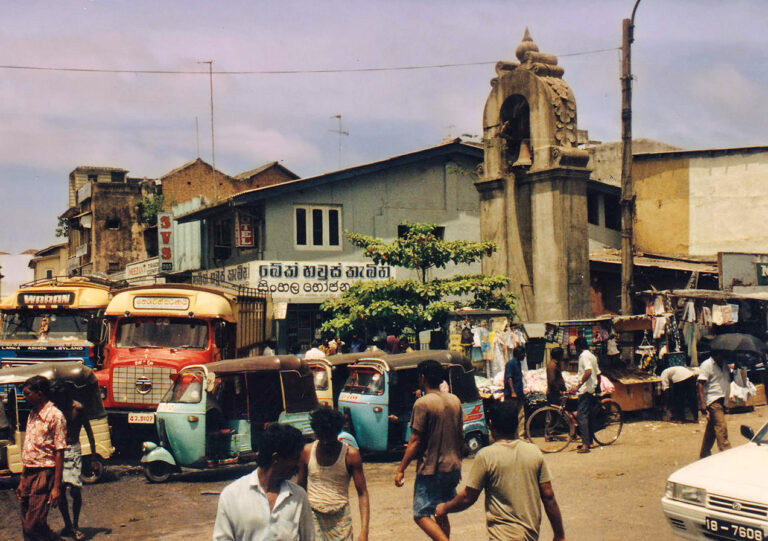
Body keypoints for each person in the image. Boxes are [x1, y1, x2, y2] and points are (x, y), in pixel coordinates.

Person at [435, 401, 566, 541]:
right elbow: (548, 496)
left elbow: (468, 497)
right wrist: (559, 535)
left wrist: (444, 508)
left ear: (491, 425)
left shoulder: (486, 456)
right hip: (530, 536)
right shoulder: (534, 452)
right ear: (516, 424)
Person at [394, 360, 463, 541]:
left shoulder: (422, 403)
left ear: (422, 378)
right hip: (453, 467)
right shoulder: (455, 400)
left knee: (421, 513)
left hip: (431, 469)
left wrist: (401, 469)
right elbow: (460, 435)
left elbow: (415, 441)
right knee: (441, 512)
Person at [213, 423, 314, 541]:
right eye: (295, 458)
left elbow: (308, 538)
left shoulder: (298, 496)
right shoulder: (232, 495)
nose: (299, 464)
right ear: (276, 458)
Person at [297, 407, 370, 541]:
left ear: (337, 432)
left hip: (340, 519)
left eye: (329, 437)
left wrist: (364, 531)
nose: (325, 441)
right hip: (313, 517)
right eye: (321, 436)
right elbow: (299, 489)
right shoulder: (307, 452)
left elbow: (362, 493)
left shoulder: (350, 455)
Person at [16, 375, 67, 541]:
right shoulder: (32, 414)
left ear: (40, 394)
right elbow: (30, 449)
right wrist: (22, 479)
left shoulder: (55, 416)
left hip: (45, 473)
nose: (25, 397)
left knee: (33, 525)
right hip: (28, 472)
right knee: (27, 524)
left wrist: (56, 487)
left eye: (27, 393)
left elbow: (59, 452)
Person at [51, 383, 96, 541]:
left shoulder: (78, 409)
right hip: (59, 451)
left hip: (74, 450)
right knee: (60, 489)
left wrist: (92, 455)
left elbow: (88, 430)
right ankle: (68, 525)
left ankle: (75, 525)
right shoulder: (55, 410)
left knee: (75, 490)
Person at [698, 350, 741, 458]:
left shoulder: (724, 364)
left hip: (723, 399)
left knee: (712, 429)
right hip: (713, 400)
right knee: (721, 427)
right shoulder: (707, 365)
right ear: (716, 353)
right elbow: (700, 384)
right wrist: (702, 403)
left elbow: (728, 379)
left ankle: (704, 454)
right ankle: (726, 454)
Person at [574, 337, 599, 454]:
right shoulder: (592, 356)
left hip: (585, 390)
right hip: (591, 389)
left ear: (578, 346)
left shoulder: (584, 356)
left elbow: (588, 372)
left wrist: (578, 385)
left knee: (582, 416)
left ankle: (585, 445)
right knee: (588, 416)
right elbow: (597, 373)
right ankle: (589, 442)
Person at [505, 345, 526, 437]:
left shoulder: (518, 363)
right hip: (512, 395)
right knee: (513, 415)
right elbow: (509, 378)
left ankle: (520, 435)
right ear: (519, 354)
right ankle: (512, 435)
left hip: (519, 393)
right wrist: (513, 392)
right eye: (523, 354)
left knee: (521, 414)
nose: (524, 356)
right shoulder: (511, 363)